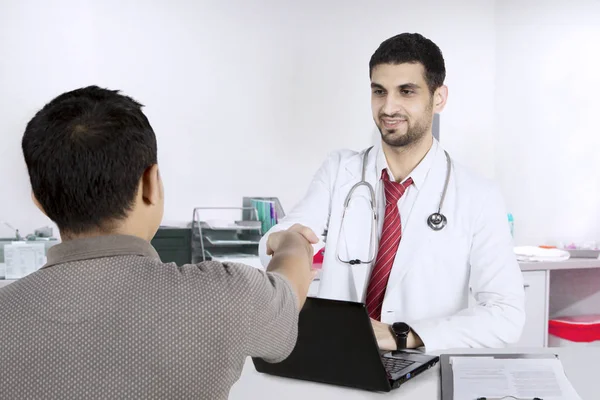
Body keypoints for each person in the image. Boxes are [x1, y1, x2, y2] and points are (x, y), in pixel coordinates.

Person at [0, 86, 317, 399]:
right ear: (152, 183)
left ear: (38, 201)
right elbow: (290, 288)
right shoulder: (226, 296)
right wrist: (290, 239)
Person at [259, 33, 525, 352]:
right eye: (379, 91)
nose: (388, 107)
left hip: (420, 366)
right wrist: (290, 243)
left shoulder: (477, 195)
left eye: (406, 91)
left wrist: (402, 334)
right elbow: (286, 237)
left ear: (438, 97)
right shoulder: (339, 170)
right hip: (339, 358)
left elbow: (506, 315)